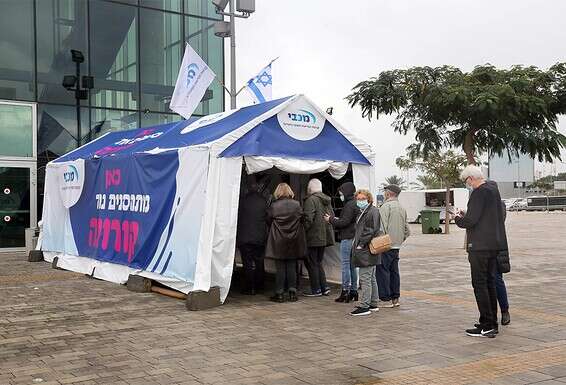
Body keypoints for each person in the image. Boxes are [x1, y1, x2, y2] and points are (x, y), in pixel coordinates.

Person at [455, 165, 508, 338]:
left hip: (479, 246)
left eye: (466, 181)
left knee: (479, 284)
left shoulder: (479, 192)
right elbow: (485, 215)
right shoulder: (493, 190)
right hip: (493, 245)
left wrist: (458, 218)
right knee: (490, 283)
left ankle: (487, 324)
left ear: (471, 178)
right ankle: (490, 322)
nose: (467, 184)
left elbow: (470, 221)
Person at [265, 183, 306, 303]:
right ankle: (293, 292)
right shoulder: (297, 204)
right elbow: (303, 219)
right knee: (292, 266)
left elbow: (268, 220)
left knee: (280, 268)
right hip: (293, 240)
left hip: (278, 240)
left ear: (278, 192)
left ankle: (279, 293)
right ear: (289, 191)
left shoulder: (274, 205)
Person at [324, 182, 360, 303]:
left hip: (347, 237)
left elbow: (344, 222)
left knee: (345, 265)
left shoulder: (349, 205)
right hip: (353, 237)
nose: (340, 196)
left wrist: (331, 219)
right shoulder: (355, 203)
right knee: (352, 266)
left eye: (341, 193)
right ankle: (354, 291)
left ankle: (345, 291)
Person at [377, 184, 410, 308]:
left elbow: (382, 228)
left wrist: (381, 242)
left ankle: (386, 298)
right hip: (396, 246)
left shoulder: (386, 207)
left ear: (388, 193)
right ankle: (395, 298)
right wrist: (400, 239)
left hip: (386, 245)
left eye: (385, 191)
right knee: (394, 271)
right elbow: (407, 230)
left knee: (383, 271)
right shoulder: (402, 208)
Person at [350, 189, 382, 316]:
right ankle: (373, 303)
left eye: (362, 199)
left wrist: (360, 244)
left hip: (366, 249)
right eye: (358, 198)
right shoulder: (364, 211)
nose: (360, 201)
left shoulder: (372, 211)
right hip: (367, 249)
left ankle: (365, 306)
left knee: (365, 278)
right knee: (371, 277)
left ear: (369, 199)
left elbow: (370, 230)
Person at [303, 179, 335, 297]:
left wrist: (302, 232)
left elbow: (308, 219)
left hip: (313, 237)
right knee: (318, 262)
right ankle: (324, 287)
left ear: (310, 188)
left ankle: (316, 289)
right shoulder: (327, 200)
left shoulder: (311, 200)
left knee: (312, 263)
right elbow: (331, 217)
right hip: (324, 237)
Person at [236, 182, 267, 295]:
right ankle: (260, 286)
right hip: (259, 238)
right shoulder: (263, 201)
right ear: (259, 189)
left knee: (247, 264)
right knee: (259, 263)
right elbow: (267, 217)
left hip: (245, 237)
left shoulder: (242, 201)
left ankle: (249, 287)